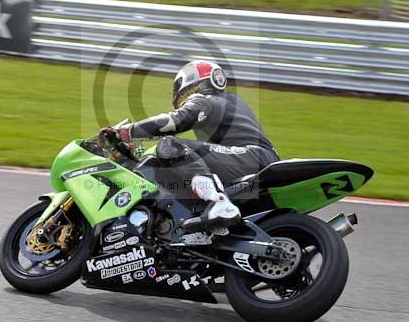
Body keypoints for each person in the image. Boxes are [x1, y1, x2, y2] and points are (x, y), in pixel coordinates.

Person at [102, 60, 279, 232]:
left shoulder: (205, 98)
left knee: (169, 144)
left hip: (251, 157)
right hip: (252, 158)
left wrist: (127, 131)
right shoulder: (227, 100)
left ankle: (219, 203)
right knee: (176, 158)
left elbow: (176, 121)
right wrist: (138, 153)